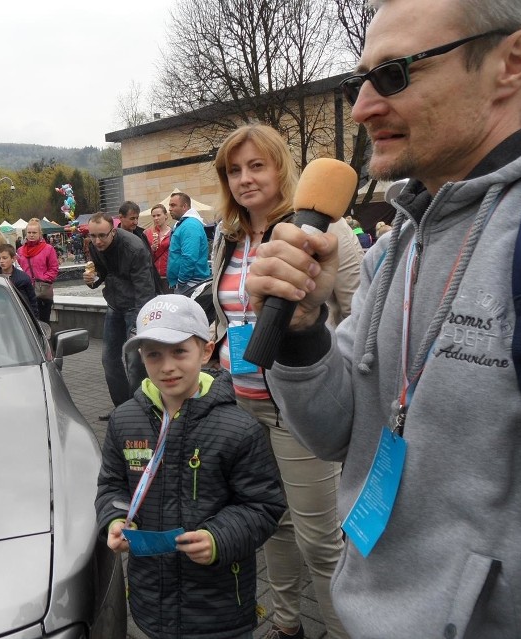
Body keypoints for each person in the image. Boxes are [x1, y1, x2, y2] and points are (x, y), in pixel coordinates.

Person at [245, 0, 521, 636]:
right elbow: (335, 432)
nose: (362, 107)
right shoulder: (403, 241)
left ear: (513, 62)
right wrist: (302, 332)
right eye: (358, 80)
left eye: (394, 74)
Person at [212, 124, 362, 639]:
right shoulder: (227, 237)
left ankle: (344, 630)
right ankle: (286, 624)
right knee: (270, 522)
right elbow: (227, 309)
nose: (245, 179)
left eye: (257, 165)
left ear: (281, 168)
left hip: (300, 409)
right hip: (244, 403)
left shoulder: (324, 231)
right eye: (234, 170)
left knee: (320, 540)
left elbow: (359, 315)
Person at [95, 294, 285, 639]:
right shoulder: (124, 421)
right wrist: (115, 519)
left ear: (207, 351)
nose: (167, 366)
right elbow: (111, 485)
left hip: (219, 606)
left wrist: (218, 537)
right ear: (141, 356)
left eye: (180, 351)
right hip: (151, 596)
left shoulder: (238, 428)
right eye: (154, 354)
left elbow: (264, 506)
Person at [83, 212, 156, 417]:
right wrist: (92, 281)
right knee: (108, 359)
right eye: (93, 236)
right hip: (114, 305)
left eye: (102, 236)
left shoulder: (134, 248)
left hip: (135, 307)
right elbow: (102, 274)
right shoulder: (94, 246)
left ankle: (139, 411)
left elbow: (145, 288)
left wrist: (139, 324)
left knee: (134, 362)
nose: (97, 241)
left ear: (113, 231)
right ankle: (122, 408)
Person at [167, 192, 211, 295]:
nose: (169, 209)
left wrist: (181, 281)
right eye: (169, 205)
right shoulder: (185, 224)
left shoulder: (190, 225)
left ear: (185, 206)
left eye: (173, 205)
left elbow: (189, 257)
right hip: (188, 282)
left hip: (189, 284)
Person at [17, 218, 59, 323]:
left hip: (42, 292)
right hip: (25, 292)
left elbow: (54, 269)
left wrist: (43, 280)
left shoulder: (48, 249)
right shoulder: (20, 251)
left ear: (40, 233)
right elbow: (18, 268)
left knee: (44, 323)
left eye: (34, 232)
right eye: (29, 232)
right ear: (25, 234)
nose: (31, 235)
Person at [0, 243, 38, 317]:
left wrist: (35, 319)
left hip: (20, 315)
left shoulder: (23, 278)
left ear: (13, 259)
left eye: (4, 258)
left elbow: (32, 301)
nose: (1, 261)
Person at [144, 203, 172, 293]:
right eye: (153, 216)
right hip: (153, 275)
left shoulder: (173, 233)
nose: (156, 218)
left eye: (158, 215)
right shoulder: (147, 233)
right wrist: (151, 249)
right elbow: (143, 256)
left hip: (169, 275)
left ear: (166, 216)